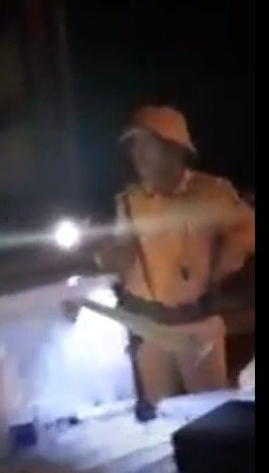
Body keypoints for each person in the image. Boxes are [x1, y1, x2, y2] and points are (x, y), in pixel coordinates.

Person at [97, 105, 255, 405]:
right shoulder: (130, 201)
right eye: (134, 146)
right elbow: (123, 256)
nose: (138, 156)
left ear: (174, 150)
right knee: (161, 419)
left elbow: (249, 230)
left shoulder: (211, 192)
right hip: (152, 330)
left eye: (147, 145)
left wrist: (225, 262)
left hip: (199, 325)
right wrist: (105, 256)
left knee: (211, 413)